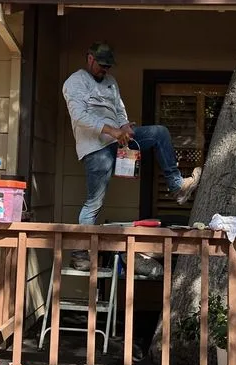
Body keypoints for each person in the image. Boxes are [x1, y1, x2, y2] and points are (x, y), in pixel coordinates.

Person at [62, 42, 201, 276]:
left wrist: (124, 126)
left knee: (159, 133)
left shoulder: (111, 82)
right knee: (94, 202)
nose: (104, 70)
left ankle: (177, 187)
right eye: (101, 65)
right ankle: (80, 255)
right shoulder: (75, 82)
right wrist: (112, 131)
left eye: (108, 66)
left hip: (118, 141)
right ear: (89, 59)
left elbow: (119, 110)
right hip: (95, 148)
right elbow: (80, 116)